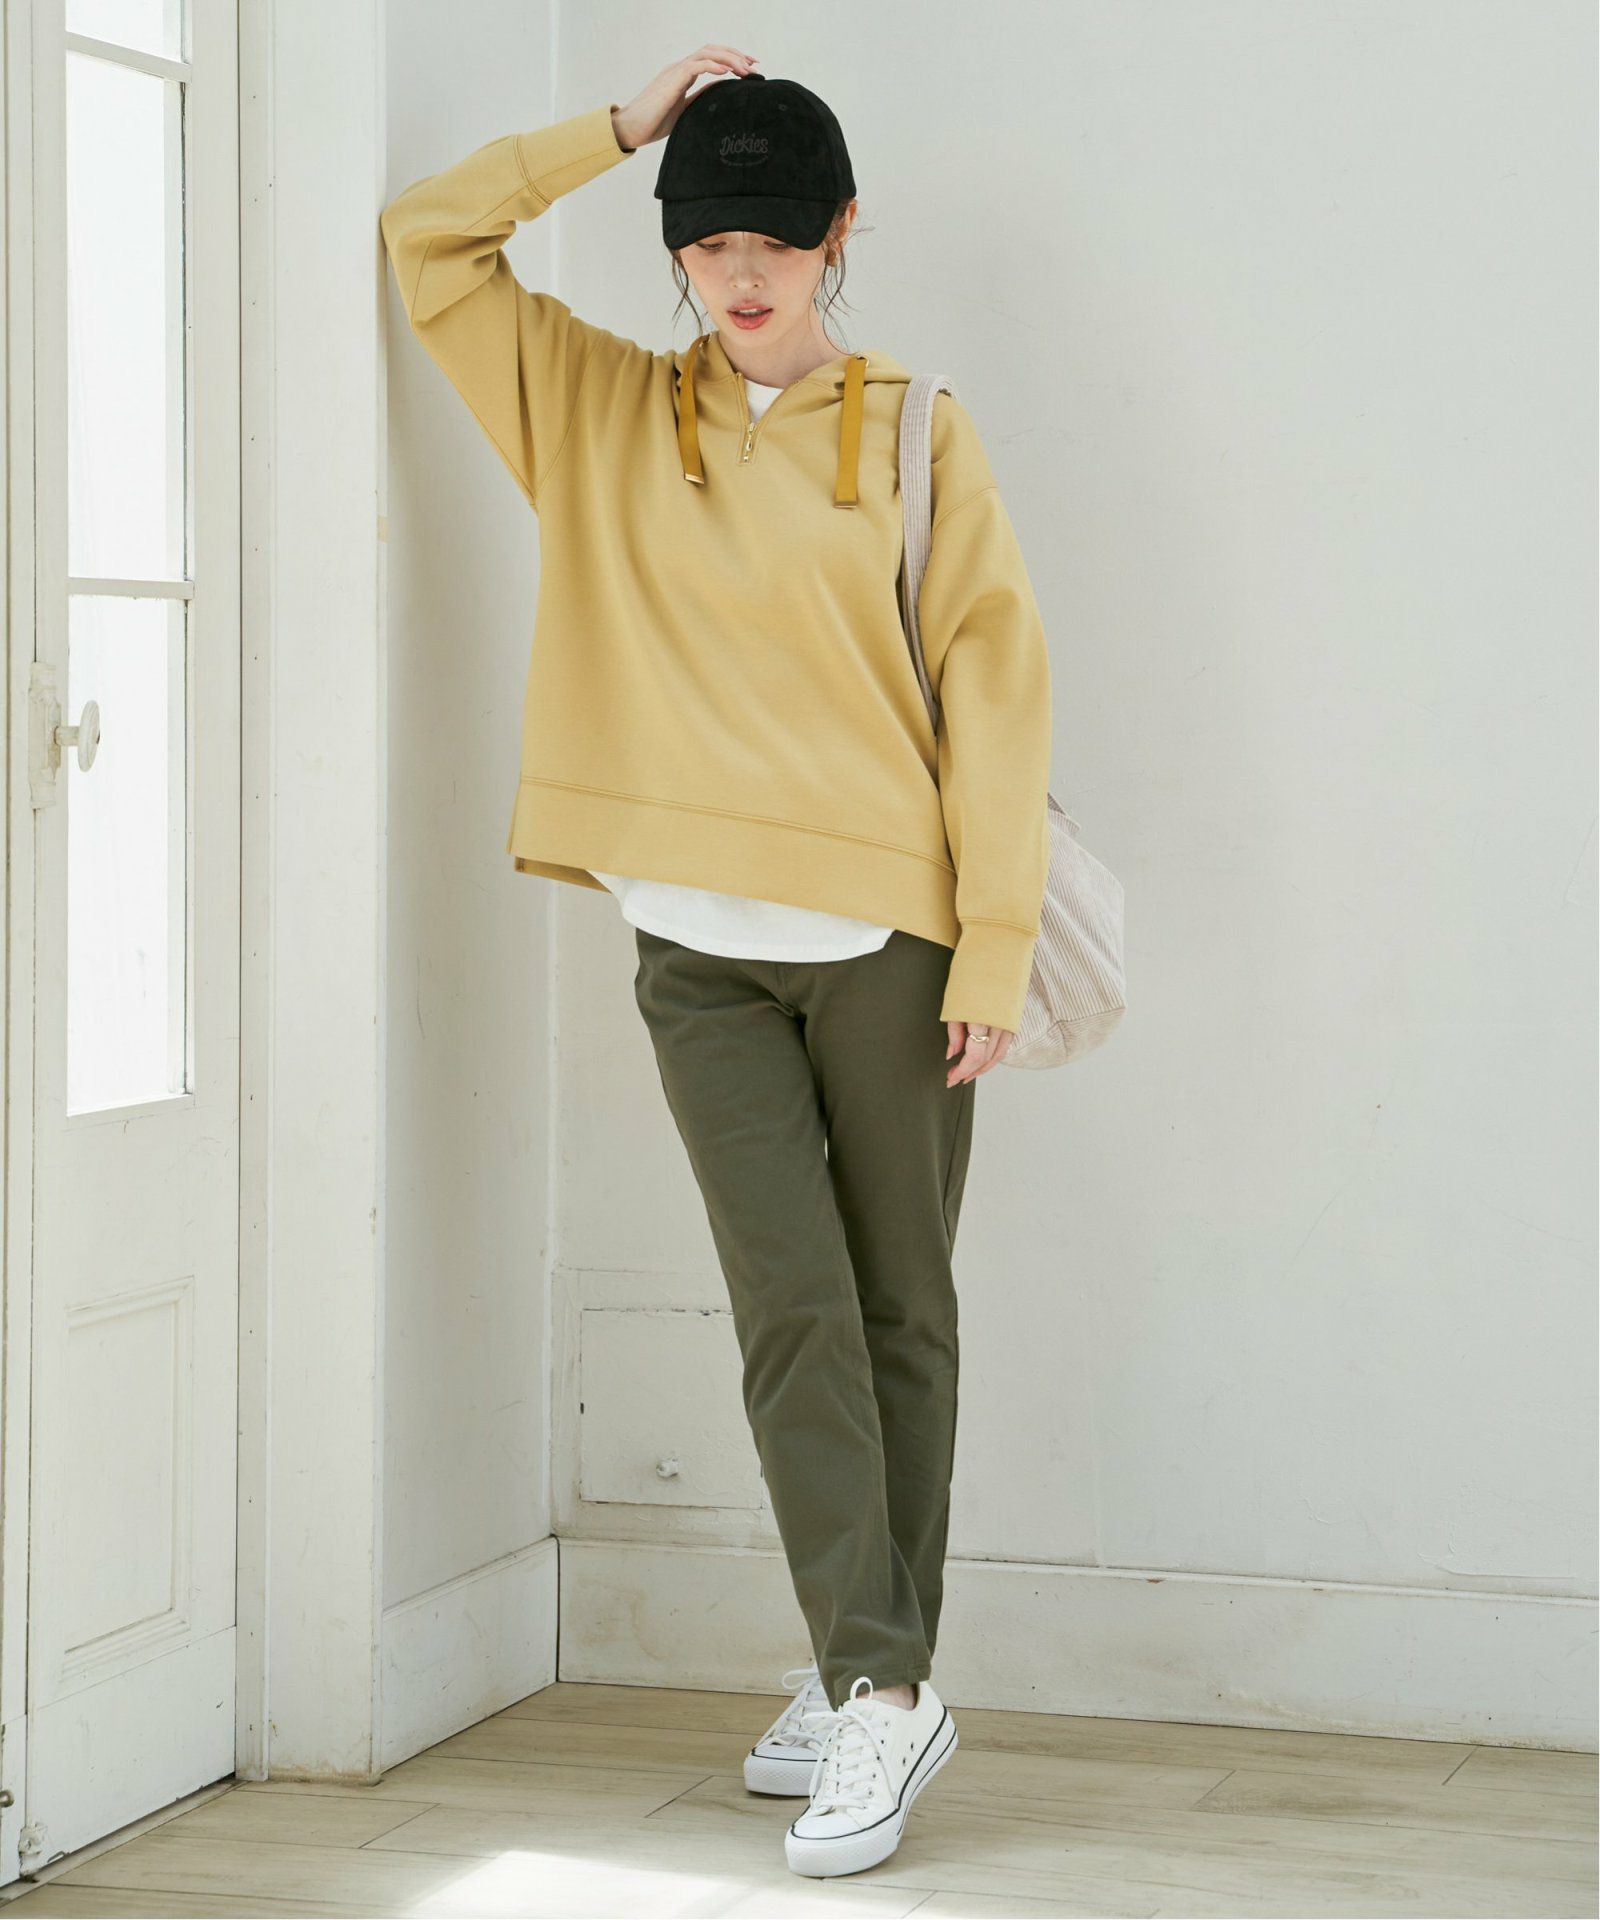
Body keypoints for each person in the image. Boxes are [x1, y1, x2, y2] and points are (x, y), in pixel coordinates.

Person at [380, 43, 1053, 1880]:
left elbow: (995, 685)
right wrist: (618, 130)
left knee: (899, 1308)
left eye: (774, 237)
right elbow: (429, 242)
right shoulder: (597, 412)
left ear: (841, 236)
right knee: (791, 1313)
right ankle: (877, 1678)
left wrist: (993, 937)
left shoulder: (914, 429)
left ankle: (871, 1680)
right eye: (706, 239)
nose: (741, 273)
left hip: (894, 937)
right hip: (695, 944)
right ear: (674, 248)